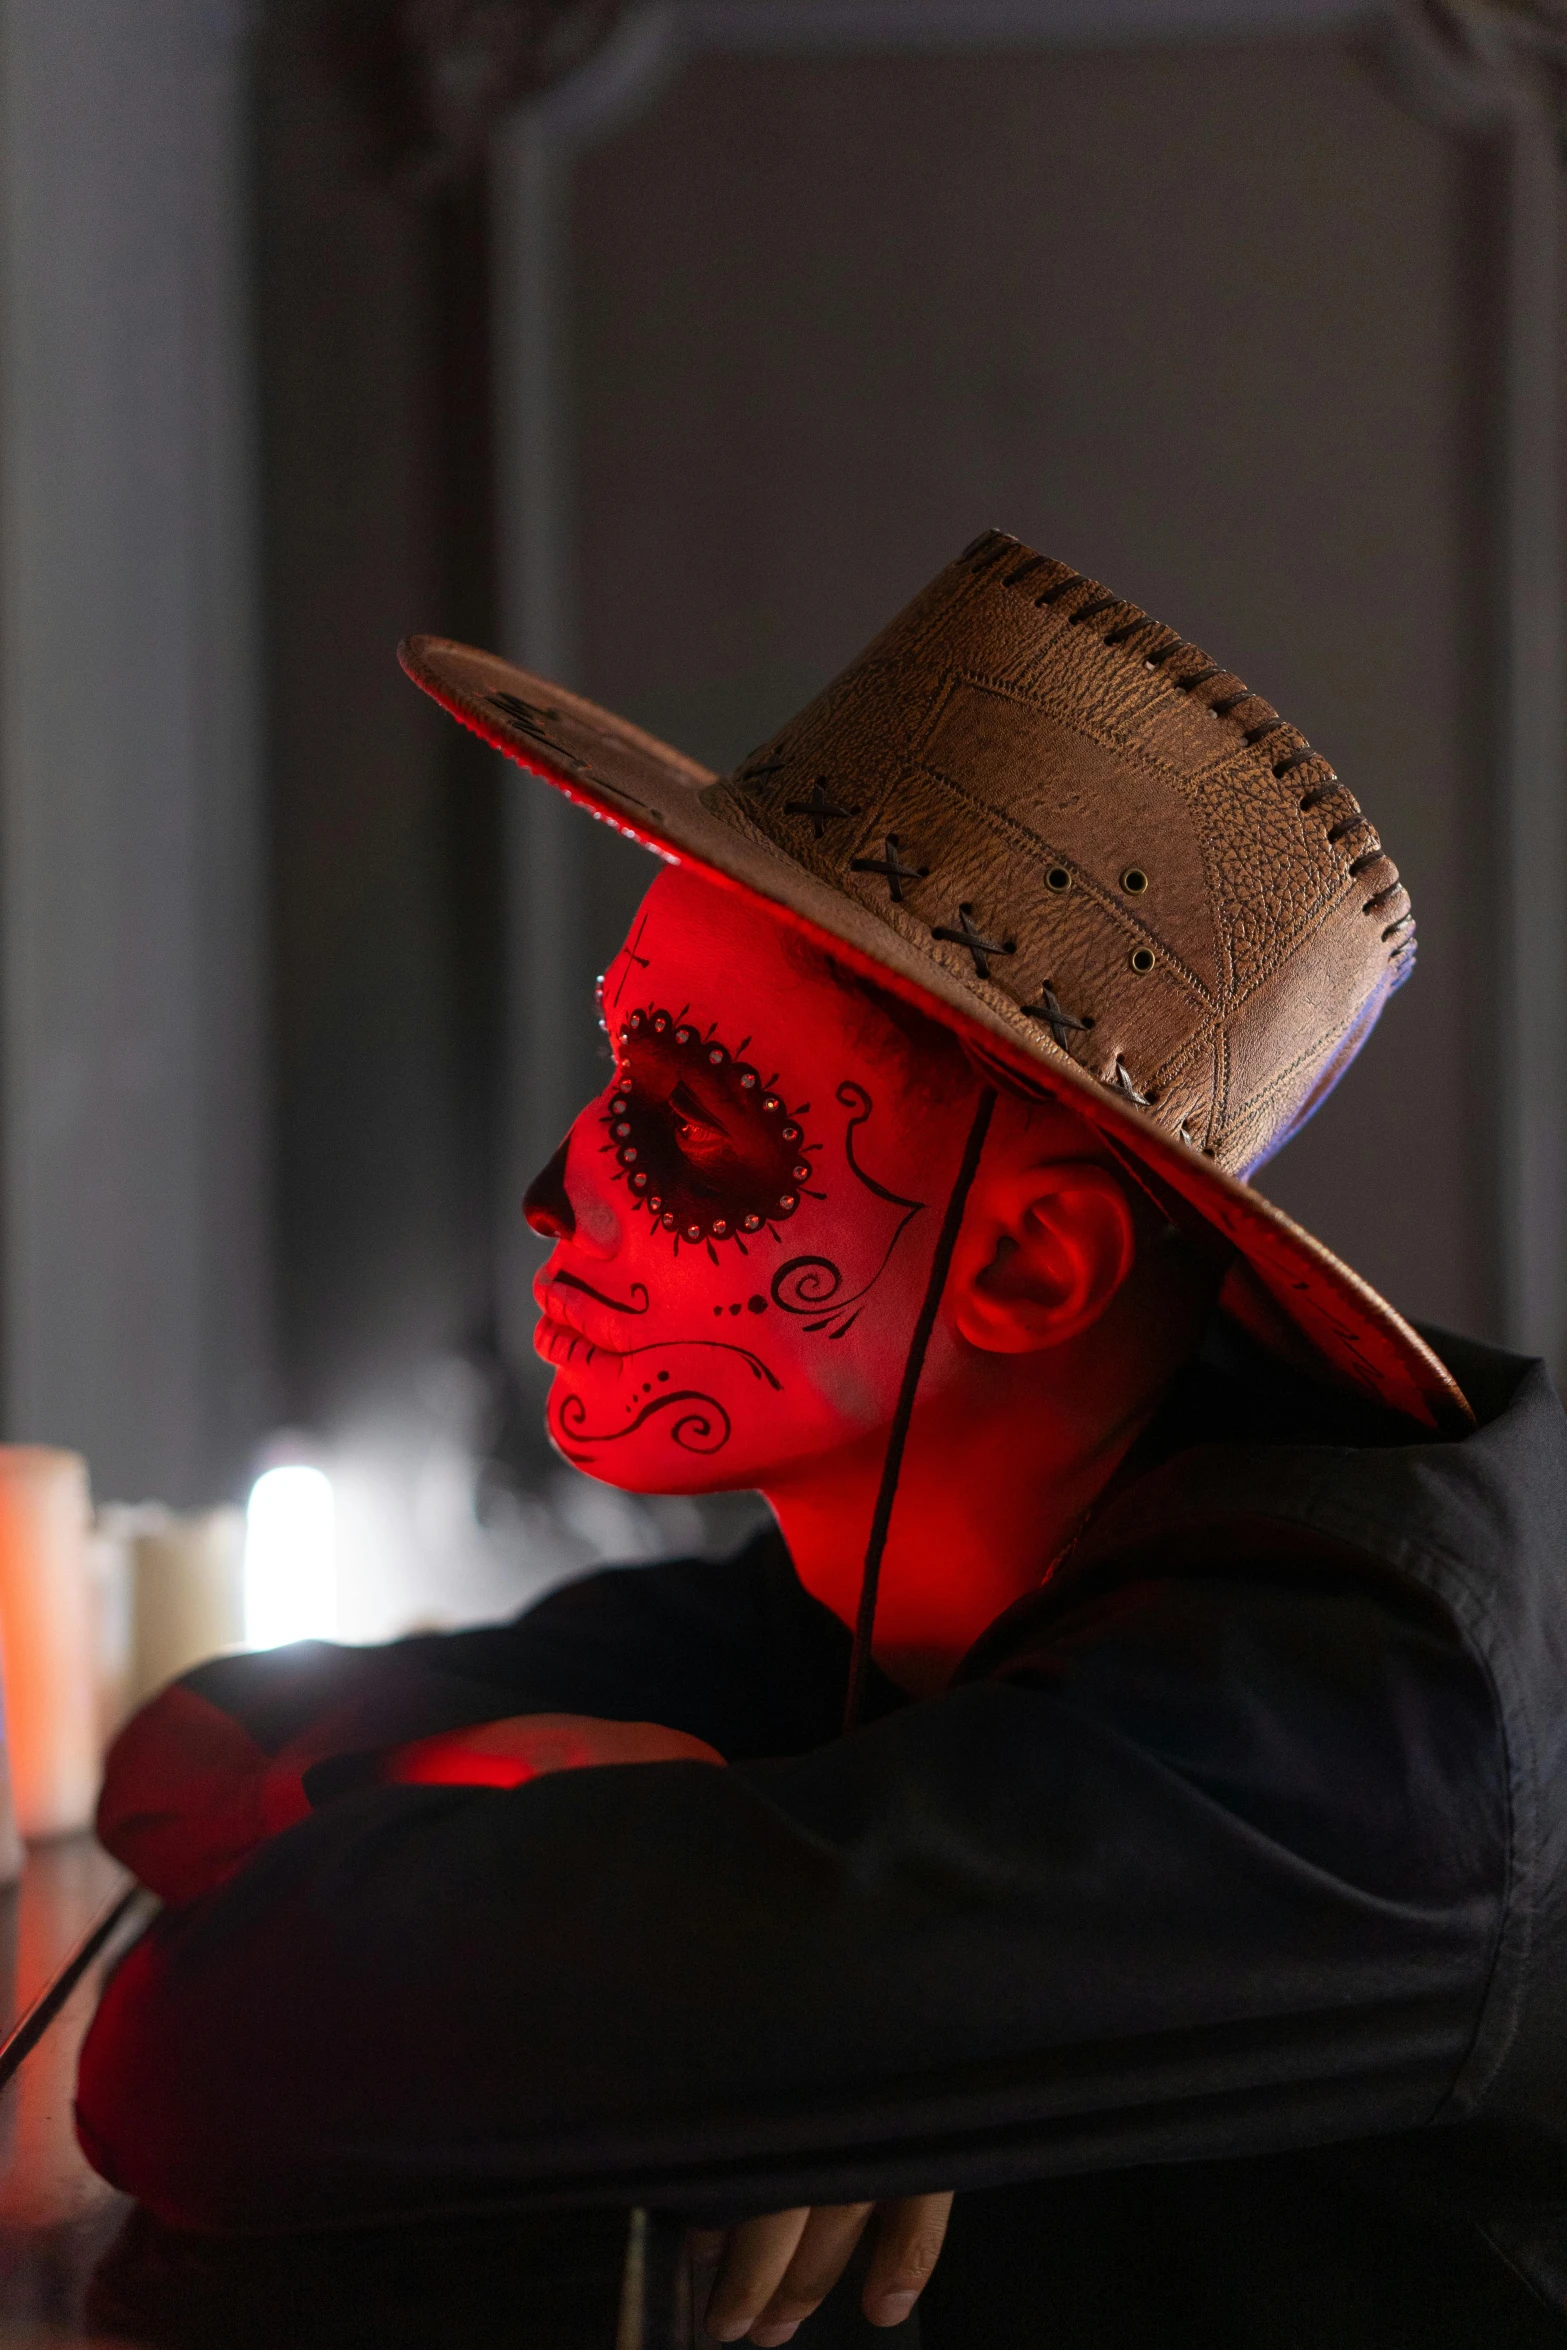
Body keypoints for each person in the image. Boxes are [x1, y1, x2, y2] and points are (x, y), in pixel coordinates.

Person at [78, 537, 1567, 2347]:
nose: (560, 1192)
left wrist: (762, 1999)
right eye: (613, 1067)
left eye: (692, 1122)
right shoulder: (912, 1564)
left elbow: (196, 2057)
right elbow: (190, 1747)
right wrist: (716, 1924)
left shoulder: (1337, 1730)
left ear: (1022, 1262)